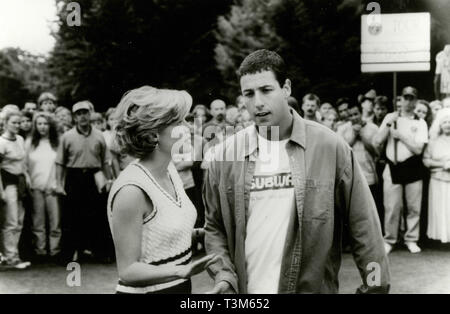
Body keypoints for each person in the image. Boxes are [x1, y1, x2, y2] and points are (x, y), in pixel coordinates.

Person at [203, 49, 389, 294]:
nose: (257, 102)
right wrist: (224, 276)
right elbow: (214, 228)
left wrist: (375, 288)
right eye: (249, 93)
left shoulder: (330, 147)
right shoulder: (225, 155)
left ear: (286, 88)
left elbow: (365, 228)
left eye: (266, 90)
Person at [108, 86, 217, 294]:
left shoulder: (170, 170)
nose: (188, 128)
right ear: (153, 134)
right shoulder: (131, 190)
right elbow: (128, 270)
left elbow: (157, 234)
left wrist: (198, 234)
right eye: (179, 122)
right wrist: (180, 270)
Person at [55, 100, 114, 263]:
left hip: (94, 176)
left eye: (85, 113)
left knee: (97, 215)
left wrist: (109, 180)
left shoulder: (99, 135)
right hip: (74, 177)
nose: (82, 117)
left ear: (90, 114)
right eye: (78, 114)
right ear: (74, 117)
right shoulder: (67, 137)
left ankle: (100, 252)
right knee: (71, 216)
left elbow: (105, 161)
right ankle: (69, 254)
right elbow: (60, 162)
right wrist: (59, 184)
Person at [373, 86, 428, 254]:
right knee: (392, 206)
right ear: (401, 99)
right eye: (406, 98)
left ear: (416, 100)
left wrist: (401, 136)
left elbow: (418, 149)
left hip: (412, 165)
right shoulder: (391, 118)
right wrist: (389, 123)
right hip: (393, 165)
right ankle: (389, 239)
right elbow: (377, 141)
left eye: (412, 98)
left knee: (413, 207)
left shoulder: (420, 122)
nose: (408, 101)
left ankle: (411, 239)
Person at [25, 112, 61, 262]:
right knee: (38, 222)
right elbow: (24, 166)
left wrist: (56, 183)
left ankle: (55, 251)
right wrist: (29, 183)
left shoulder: (57, 142)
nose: (42, 127)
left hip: (53, 187)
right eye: (39, 124)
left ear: (50, 126)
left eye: (45, 124)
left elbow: (60, 165)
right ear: (35, 126)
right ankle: (40, 251)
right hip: (36, 187)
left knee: (55, 222)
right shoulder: (30, 143)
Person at [338, 102, 381, 221]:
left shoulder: (373, 128)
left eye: (356, 114)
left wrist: (361, 136)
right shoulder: (342, 129)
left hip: (369, 174)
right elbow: (342, 152)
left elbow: (377, 152)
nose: (354, 118)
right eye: (350, 115)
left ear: (361, 113)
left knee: (370, 208)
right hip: (351, 175)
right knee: (353, 210)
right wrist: (354, 135)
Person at [0, 109, 31, 269]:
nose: (17, 125)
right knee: (10, 222)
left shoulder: (19, 139)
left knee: (19, 221)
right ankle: (10, 257)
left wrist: (27, 178)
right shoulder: (1, 143)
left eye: (19, 122)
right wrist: (1, 191)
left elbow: (22, 163)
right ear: (5, 123)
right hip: (8, 184)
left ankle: (15, 255)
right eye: (14, 122)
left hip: (20, 184)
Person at [424, 108, 450, 243]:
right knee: (440, 208)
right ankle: (441, 237)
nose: (447, 124)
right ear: (439, 124)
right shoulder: (433, 142)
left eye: (449, 121)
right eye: (444, 121)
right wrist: (443, 165)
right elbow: (426, 160)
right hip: (437, 180)